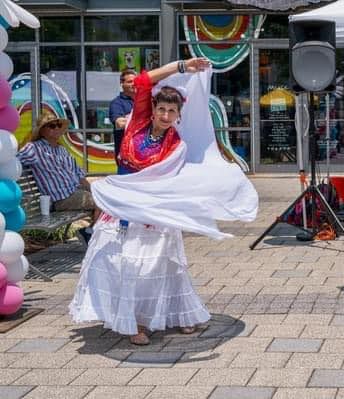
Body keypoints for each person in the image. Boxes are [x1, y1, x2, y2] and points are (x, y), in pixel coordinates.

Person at [68, 57, 258, 346]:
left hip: (153, 212)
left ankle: (164, 318)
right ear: (153, 110)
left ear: (178, 115)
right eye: (162, 109)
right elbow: (143, 81)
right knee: (122, 265)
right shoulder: (136, 125)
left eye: (172, 111)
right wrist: (183, 66)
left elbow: (169, 181)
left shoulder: (176, 145)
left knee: (159, 267)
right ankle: (135, 322)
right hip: (122, 210)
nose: (166, 115)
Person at [16, 114, 98, 242]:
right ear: (42, 131)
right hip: (61, 198)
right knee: (103, 201)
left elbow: (79, 175)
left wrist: (94, 190)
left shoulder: (62, 150)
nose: (56, 128)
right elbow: (14, 160)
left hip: (75, 192)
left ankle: (90, 232)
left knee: (105, 196)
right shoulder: (34, 148)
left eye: (59, 125)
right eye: (51, 126)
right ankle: (89, 233)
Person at [109, 69, 136, 174]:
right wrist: (142, 118)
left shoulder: (143, 100)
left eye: (135, 81)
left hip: (144, 154)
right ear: (122, 84)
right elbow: (120, 123)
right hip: (126, 158)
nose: (133, 84)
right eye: (129, 81)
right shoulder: (116, 103)